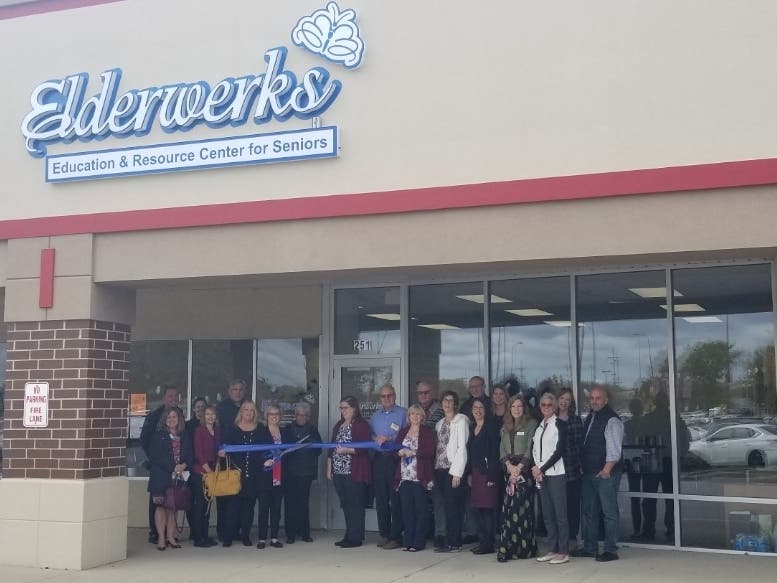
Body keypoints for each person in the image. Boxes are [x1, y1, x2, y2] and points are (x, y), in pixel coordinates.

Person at [572, 386, 624, 562]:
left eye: (598, 398)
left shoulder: (612, 420)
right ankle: (590, 547)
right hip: (588, 473)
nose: (594, 401)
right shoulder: (591, 417)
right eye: (592, 398)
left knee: (609, 512)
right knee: (589, 512)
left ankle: (610, 550)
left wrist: (607, 470)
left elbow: (614, 450)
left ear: (606, 400)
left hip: (605, 473)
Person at [638, 391, 688, 542]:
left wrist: (679, 457)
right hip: (656, 462)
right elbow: (641, 440)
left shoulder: (674, 419)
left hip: (665, 462)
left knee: (665, 498)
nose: (660, 403)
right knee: (652, 498)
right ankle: (660, 529)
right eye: (660, 400)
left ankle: (663, 529)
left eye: (662, 400)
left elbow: (684, 441)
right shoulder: (665, 419)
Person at [497, 395, 538, 562]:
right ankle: (507, 549)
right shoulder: (505, 426)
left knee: (521, 511)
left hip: (524, 472)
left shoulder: (531, 424)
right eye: (513, 406)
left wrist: (519, 468)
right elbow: (501, 450)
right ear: (509, 409)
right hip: (510, 471)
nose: (516, 409)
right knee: (508, 511)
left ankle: (524, 549)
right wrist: (509, 467)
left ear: (524, 408)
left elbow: (530, 449)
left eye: (519, 406)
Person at [221, 400, 267, 548]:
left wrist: (268, 460)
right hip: (235, 473)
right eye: (246, 410)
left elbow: (267, 448)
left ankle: (245, 535)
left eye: (251, 410)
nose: (249, 412)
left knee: (248, 507)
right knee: (233, 507)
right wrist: (222, 451)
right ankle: (228, 536)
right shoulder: (232, 428)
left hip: (254, 474)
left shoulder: (260, 428)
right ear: (241, 411)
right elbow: (224, 446)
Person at [531, 392, 570, 565]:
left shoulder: (559, 424)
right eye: (543, 405)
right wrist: (534, 467)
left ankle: (563, 550)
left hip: (555, 474)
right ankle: (553, 548)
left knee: (560, 513)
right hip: (541, 476)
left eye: (549, 405)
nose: (546, 407)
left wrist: (542, 468)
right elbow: (534, 449)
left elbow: (559, 450)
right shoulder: (539, 427)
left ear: (554, 407)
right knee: (547, 514)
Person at [328, 396, 372, 548]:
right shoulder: (339, 425)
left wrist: (348, 450)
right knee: (346, 504)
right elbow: (331, 447)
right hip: (338, 470)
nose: (343, 411)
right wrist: (329, 467)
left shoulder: (361, 424)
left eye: (346, 407)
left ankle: (356, 537)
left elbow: (365, 447)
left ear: (354, 408)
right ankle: (348, 534)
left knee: (356, 504)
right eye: (341, 408)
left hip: (354, 470)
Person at [147, 406, 192, 551]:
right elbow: (155, 456)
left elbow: (191, 453)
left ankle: (171, 537)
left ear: (178, 419)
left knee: (173, 508)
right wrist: (173, 466)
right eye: (169, 417)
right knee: (160, 507)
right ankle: (161, 537)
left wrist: (184, 465)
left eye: (174, 417)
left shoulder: (184, 435)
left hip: (179, 476)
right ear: (165, 420)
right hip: (161, 476)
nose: (172, 420)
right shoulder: (158, 435)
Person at [139, 386, 179, 545]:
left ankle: (170, 534)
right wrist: (152, 460)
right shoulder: (154, 416)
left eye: (175, 396)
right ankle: (155, 533)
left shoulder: (180, 415)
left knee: (172, 502)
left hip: (175, 469)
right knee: (157, 502)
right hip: (158, 467)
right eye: (170, 396)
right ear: (164, 398)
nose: (173, 399)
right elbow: (144, 440)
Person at [393, 405, 436, 552]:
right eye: (412, 414)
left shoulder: (427, 432)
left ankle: (418, 542)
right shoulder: (403, 431)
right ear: (409, 417)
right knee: (407, 510)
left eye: (418, 414)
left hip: (420, 476)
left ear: (422, 417)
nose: (415, 417)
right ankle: (408, 541)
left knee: (421, 510)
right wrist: (399, 452)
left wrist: (414, 452)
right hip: (404, 476)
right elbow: (395, 449)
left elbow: (430, 451)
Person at [370, 384, 407, 550]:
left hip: (395, 460)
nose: (387, 398)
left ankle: (396, 536)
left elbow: (406, 433)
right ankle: (385, 534)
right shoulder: (375, 416)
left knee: (396, 499)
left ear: (395, 395)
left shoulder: (403, 413)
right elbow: (370, 436)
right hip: (379, 460)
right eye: (383, 396)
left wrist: (389, 437)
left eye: (389, 395)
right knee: (381, 499)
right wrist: (376, 438)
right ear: (380, 399)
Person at [433, 390, 469, 553]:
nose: (447, 403)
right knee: (444, 506)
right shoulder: (439, 423)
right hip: (439, 469)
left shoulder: (461, 421)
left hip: (452, 470)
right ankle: (446, 539)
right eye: (445, 400)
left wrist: (457, 472)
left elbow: (462, 448)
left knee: (453, 507)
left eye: (450, 400)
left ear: (455, 403)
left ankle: (454, 542)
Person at [282, 401, 322, 544]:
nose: (301, 417)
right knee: (290, 503)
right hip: (289, 472)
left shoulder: (313, 430)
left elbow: (319, 450)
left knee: (303, 503)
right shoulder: (287, 429)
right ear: (295, 415)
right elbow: (282, 450)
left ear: (308, 417)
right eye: (298, 415)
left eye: (304, 415)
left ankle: (304, 533)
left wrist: (309, 447)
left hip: (305, 472)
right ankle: (290, 534)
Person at [467, 397, 500, 555]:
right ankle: (482, 541)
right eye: (475, 407)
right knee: (478, 509)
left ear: (486, 410)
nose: (478, 410)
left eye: (481, 407)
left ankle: (488, 544)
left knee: (487, 510)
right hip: (475, 473)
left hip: (488, 474)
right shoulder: (472, 427)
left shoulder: (491, 427)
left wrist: (492, 478)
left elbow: (494, 453)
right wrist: (469, 473)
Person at [216, 379, 247, 542]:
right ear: (229, 391)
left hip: (242, 458)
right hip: (224, 458)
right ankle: (223, 532)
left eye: (241, 389)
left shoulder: (247, 407)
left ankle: (238, 530)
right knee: (224, 494)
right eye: (235, 389)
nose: (238, 392)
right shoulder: (221, 408)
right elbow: (216, 431)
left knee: (239, 496)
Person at [415, 380, 445, 547]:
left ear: (431, 392)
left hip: (435, 461)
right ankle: (423, 531)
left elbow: (428, 428)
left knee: (437, 498)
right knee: (420, 499)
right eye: (420, 393)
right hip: (419, 462)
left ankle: (440, 533)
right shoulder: (415, 410)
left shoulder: (439, 409)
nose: (424, 395)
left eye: (426, 392)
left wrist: (415, 423)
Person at [557, 387, 584, 551]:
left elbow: (579, 445)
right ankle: (560, 539)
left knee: (572, 507)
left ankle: (572, 539)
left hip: (573, 469)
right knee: (558, 507)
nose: (564, 401)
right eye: (562, 398)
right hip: (555, 470)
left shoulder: (575, 420)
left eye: (567, 399)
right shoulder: (550, 419)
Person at [191, 405, 221, 547]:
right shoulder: (199, 431)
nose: (210, 417)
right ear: (204, 416)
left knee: (208, 505)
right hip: (201, 472)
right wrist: (208, 471)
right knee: (200, 506)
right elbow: (199, 453)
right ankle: (198, 538)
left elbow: (218, 450)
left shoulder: (217, 431)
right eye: (208, 414)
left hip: (213, 471)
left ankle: (205, 535)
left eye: (213, 414)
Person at [256, 404, 284, 549]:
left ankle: (274, 537)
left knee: (276, 508)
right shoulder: (261, 432)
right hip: (265, 475)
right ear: (266, 417)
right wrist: (263, 461)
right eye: (271, 414)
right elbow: (255, 452)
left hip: (280, 475)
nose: (274, 416)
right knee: (263, 508)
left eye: (277, 414)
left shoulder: (285, 432)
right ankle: (261, 538)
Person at [185, 396, 207, 538]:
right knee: (191, 501)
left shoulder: (209, 425)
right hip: (191, 468)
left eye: (202, 407)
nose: (200, 410)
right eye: (197, 407)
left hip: (205, 469)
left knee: (204, 501)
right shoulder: (188, 426)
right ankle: (194, 530)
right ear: (193, 409)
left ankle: (202, 531)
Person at [623, 397, 645, 540]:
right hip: (648, 462)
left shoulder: (627, 425)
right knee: (649, 498)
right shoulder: (646, 423)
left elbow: (623, 444)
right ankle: (648, 527)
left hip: (632, 462)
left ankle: (638, 528)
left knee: (635, 498)